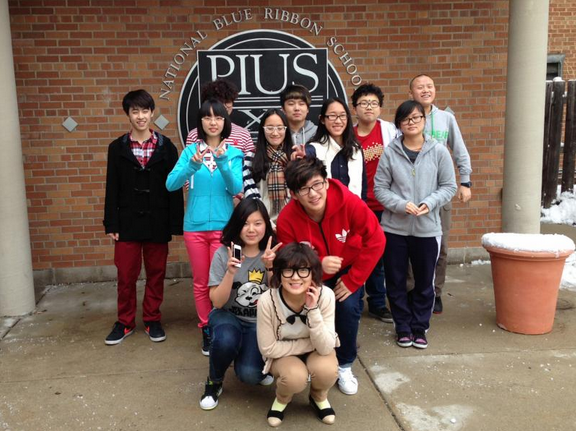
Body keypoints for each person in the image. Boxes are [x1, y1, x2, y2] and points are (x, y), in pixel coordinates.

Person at [276, 157, 385, 396]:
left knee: (347, 307)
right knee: (306, 306)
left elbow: (376, 239)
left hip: (348, 267)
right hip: (310, 272)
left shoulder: (348, 202)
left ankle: (344, 364)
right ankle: (305, 355)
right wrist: (317, 264)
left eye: (317, 184)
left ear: (325, 182)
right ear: (294, 194)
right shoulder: (287, 218)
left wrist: (354, 279)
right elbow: (287, 259)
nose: (313, 193)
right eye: (304, 189)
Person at [373, 100, 456, 350]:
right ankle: (402, 327)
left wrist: (430, 203)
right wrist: (401, 205)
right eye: (406, 119)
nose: (411, 122)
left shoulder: (439, 151)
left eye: (416, 117)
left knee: (424, 281)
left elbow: (449, 186)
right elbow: (380, 188)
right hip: (394, 229)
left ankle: (420, 326)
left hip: (427, 228)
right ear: (399, 124)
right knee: (396, 281)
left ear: (423, 120)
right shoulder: (390, 152)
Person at [103, 89, 184, 345]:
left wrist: (175, 223)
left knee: (156, 273)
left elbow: (174, 187)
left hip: (157, 221)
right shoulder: (117, 148)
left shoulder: (166, 147)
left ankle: (152, 319)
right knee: (126, 276)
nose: (140, 116)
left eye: (145, 111)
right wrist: (111, 222)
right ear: (128, 114)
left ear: (152, 113)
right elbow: (112, 187)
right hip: (126, 222)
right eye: (135, 111)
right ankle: (125, 322)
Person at [166, 99, 243, 355]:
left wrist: (222, 162)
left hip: (224, 227)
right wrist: (191, 166)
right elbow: (171, 184)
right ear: (200, 122)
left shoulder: (233, 153)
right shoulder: (190, 152)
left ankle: (227, 327)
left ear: (225, 121)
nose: (213, 122)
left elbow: (236, 188)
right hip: (195, 227)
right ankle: (207, 328)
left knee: (222, 279)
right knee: (201, 282)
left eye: (218, 117)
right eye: (207, 117)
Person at [199, 198, 280, 410]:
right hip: (228, 315)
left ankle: (246, 354)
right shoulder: (223, 253)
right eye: (245, 223)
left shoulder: (273, 255)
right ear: (237, 225)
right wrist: (230, 272)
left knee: (250, 375)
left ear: (266, 225)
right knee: (226, 339)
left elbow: (279, 300)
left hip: (259, 322)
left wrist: (270, 268)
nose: (251, 229)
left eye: (258, 223)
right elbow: (217, 302)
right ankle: (214, 382)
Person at [409, 74, 473, 314]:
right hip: (412, 194)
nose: (425, 90)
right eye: (420, 87)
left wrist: (465, 181)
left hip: (441, 193)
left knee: (440, 246)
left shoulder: (446, 119)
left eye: (429, 86)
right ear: (411, 93)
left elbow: (460, 150)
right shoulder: (407, 117)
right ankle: (412, 290)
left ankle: (435, 292)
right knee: (411, 245)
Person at [257, 243, 339, 427]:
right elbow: (268, 348)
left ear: (313, 273)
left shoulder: (325, 295)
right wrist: (310, 343)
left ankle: (318, 397)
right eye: (288, 270)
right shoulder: (267, 301)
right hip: (283, 355)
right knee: (295, 377)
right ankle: (282, 399)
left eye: (303, 270)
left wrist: (313, 310)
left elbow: (326, 347)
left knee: (327, 370)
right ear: (279, 273)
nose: (295, 277)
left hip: (313, 349)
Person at [351, 83, 398, 324]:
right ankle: (356, 301)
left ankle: (378, 303)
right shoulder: (347, 134)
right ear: (355, 108)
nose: (368, 107)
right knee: (356, 253)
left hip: (384, 205)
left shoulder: (390, 131)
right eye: (363, 103)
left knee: (379, 256)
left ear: (380, 108)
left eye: (373, 103)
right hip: (358, 205)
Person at [306, 97, 367, 200]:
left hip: (353, 207)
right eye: (332, 116)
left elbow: (363, 187)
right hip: (324, 208)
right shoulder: (313, 150)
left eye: (342, 116)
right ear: (322, 119)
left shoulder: (355, 149)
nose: (338, 121)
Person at [243, 109, 293, 221]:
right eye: (270, 128)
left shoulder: (293, 156)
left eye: (280, 128)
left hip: (291, 219)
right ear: (263, 129)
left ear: (286, 130)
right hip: (262, 219)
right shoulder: (251, 157)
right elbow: (250, 191)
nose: (275, 133)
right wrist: (265, 221)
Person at [186, 78, 255, 155]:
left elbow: (250, 161)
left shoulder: (243, 134)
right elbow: (188, 160)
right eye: (220, 102)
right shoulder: (194, 135)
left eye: (228, 102)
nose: (225, 106)